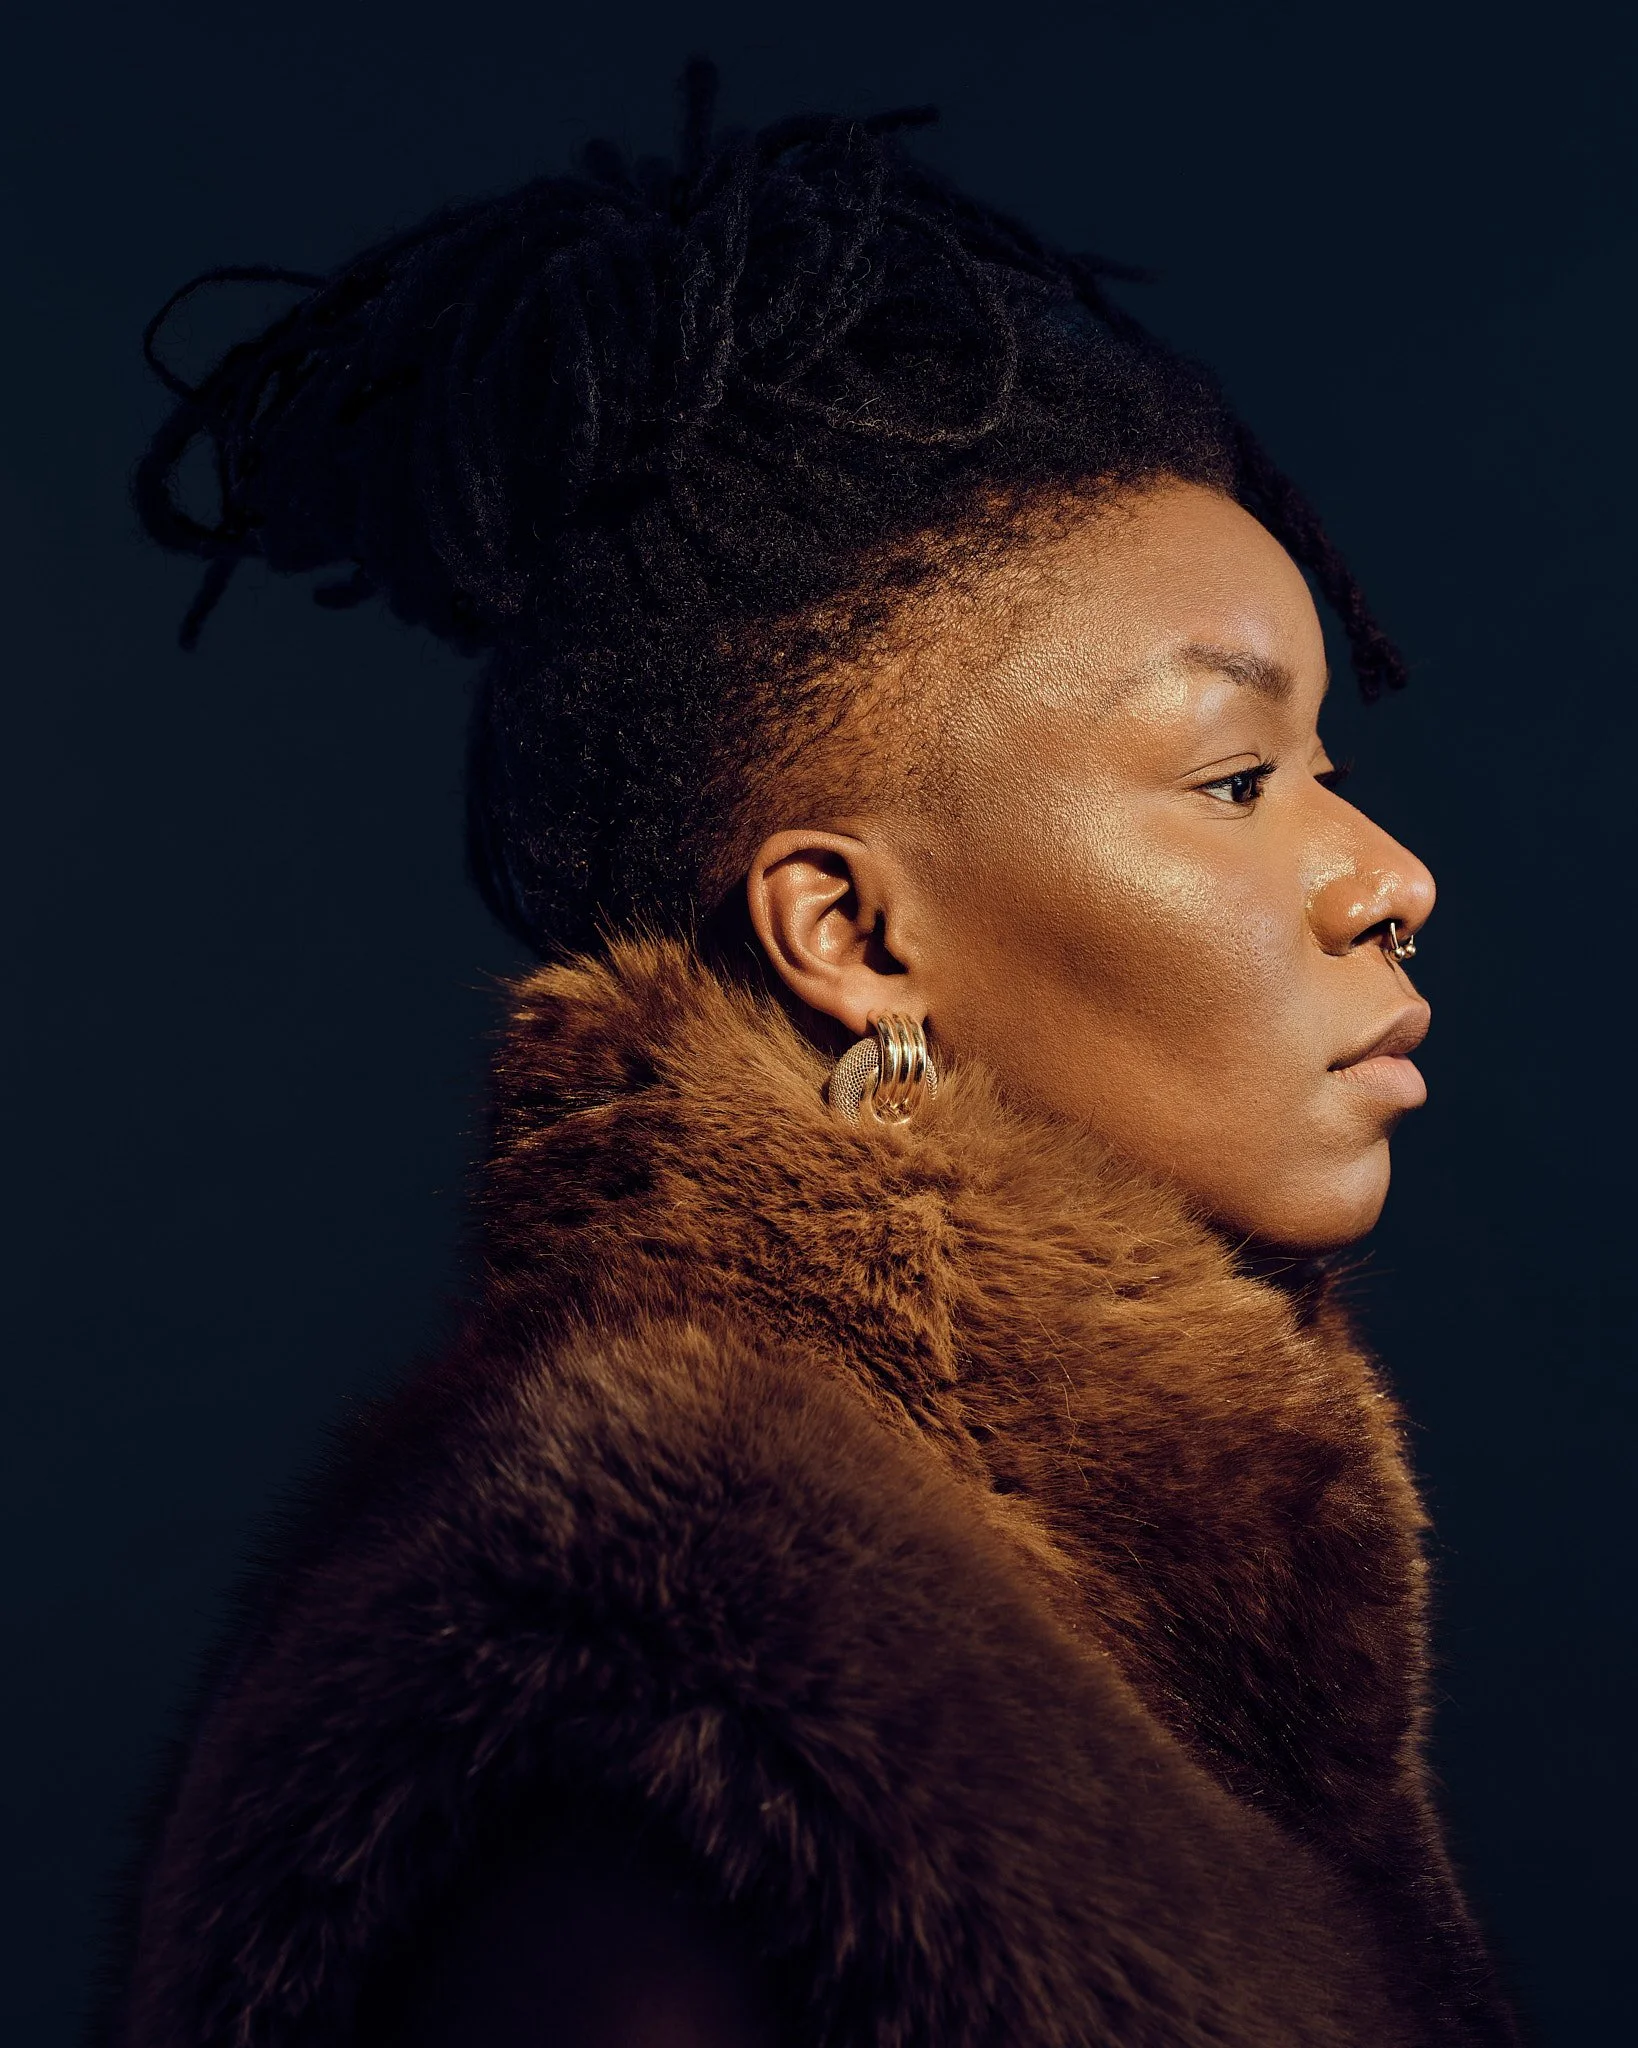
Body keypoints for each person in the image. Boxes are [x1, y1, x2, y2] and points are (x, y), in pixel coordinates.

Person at [105, 64, 1518, 2048]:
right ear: (847, 936)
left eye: (1324, 770)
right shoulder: (668, 1701)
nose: (1387, 877)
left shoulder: (1126, 1582)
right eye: (1232, 779)